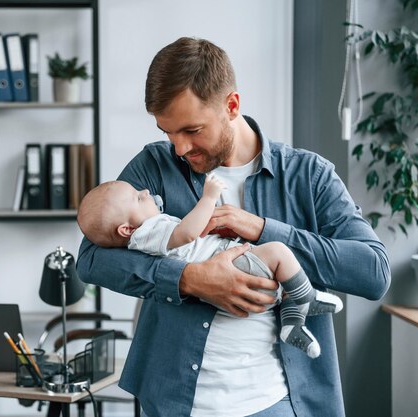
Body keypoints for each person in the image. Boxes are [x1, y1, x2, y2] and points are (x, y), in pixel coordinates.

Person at [77, 37, 390, 417]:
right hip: (174, 400)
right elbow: (91, 259)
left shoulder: (309, 175)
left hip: (277, 402)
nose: (179, 148)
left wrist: (262, 229)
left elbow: (374, 272)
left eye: (192, 130)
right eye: (168, 132)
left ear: (232, 106)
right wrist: (189, 279)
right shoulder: (154, 168)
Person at [77, 176, 344, 359]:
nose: (145, 192)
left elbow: (187, 238)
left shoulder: (145, 232)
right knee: (278, 252)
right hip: (233, 266)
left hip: (229, 273)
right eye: (137, 198)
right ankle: (306, 299)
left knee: (281, 282)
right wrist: (209, 197)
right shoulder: (148, 231)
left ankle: (292, 325)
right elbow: (187, 233)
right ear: (126, 229)